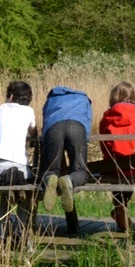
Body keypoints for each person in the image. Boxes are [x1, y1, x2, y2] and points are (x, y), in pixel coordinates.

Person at [99, 81, 135, 231]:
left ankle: (119, 207)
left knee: (116, 168)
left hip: (112, 167)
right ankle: (120, 208)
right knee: (132, 169)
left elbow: (104, 147)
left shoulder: (106, 118)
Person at [0, 81, 37, 242]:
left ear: (10, 96)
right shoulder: (29, 111)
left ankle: (1, 232)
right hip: (20, 165)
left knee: (4, 193)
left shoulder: (1, 109)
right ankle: (20, 230)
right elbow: (34, 132)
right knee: (26, 193)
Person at [40, 86, 93, 214]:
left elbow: (45, 120)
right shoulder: (84, 99)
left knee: (49, 170)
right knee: (80, 171)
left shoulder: (52, 99)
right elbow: (88, 122)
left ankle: (50, 179)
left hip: (54, 127)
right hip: (77, 127)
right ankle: (69, 180)